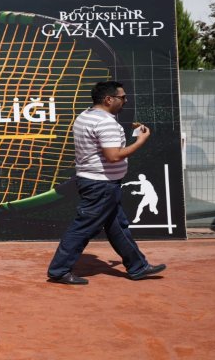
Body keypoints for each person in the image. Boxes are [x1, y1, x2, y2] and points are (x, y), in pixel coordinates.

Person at [47, 81, 166, 285]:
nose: (125, 100)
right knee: (83, 227)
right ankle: (59, 270)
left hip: (97, 182)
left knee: (117, 226)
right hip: (101, 185)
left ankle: (138, 266)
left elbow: (102, 140)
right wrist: (140, 141)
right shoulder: (106, 123)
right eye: (122, 97)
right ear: (108, 99)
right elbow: (113, 156)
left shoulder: (85, 116)